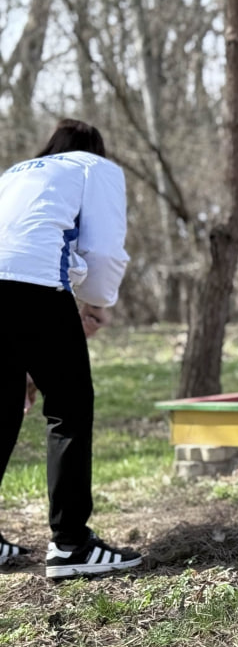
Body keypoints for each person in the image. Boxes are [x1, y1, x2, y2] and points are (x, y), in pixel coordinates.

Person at [0, 119, 142, 576]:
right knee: (69, 407)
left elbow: (29, 240)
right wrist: (97, 304)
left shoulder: (17, 172)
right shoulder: (94, 167)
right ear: (95, 148)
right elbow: (103, 249)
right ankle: (71, 546)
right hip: (34, 290)